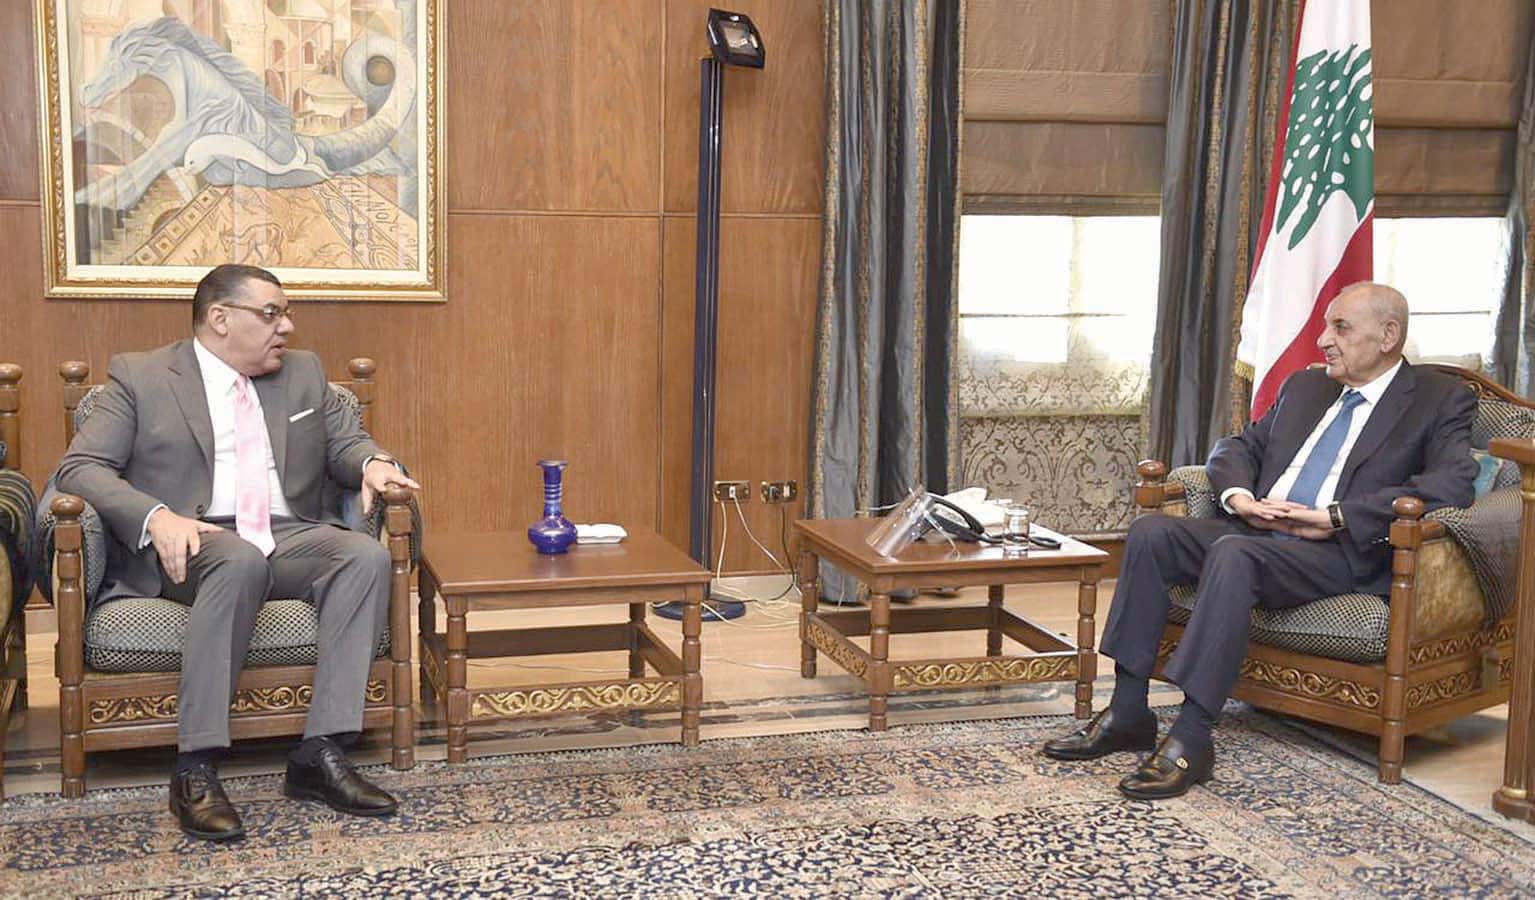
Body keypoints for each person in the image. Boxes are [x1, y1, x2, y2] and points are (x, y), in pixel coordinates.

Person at [1042, 282, 1476, 799]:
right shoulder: (1306, 387)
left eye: (1340, 328)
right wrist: (1241, 498)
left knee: (1234, 553)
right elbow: (1238, 447)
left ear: (1388, 336)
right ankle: (1128, 709)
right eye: (1326, 326)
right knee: (1150, 532)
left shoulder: (1438, 399)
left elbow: (1451, 485)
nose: (1323, 340)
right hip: (1257, 530)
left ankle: (1192, 735)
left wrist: (1335, 517)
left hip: (1337, 550)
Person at [56, 264, 421, 841]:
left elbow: (347, 443)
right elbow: (80, 467)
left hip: (285, 531)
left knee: (363, 556)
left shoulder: (303, 372)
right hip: (192, 538)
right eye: (272, 314)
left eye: (287, 313)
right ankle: (195, 765)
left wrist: (373, 463)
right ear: (220, 319)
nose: (288, 327)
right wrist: (157, 517)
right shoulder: (141, 376)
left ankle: (321, 752)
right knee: (237, 558)